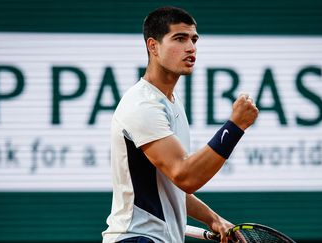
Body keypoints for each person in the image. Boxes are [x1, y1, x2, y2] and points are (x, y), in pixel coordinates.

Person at [102, 6, 258, 243]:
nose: (191, 48)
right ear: (153, 46)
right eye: (179, 38)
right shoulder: (142, 104)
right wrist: (235, 126)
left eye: (194, 39)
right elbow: (185, 176)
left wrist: (211, 217)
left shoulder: (170, 102)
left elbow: (171, 186)